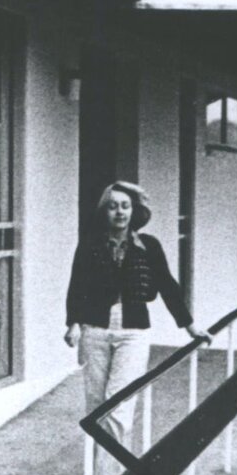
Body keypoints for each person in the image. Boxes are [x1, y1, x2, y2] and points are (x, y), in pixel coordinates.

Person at [64, 181, 208, 457]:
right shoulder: (90, 244)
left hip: (134, 331)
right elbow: (77, 285)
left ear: (134, 211)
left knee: (118, 405)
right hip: (95, 329)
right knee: (96, 407)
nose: (119, 212)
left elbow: (167, 286)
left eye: (125, 206)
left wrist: (190, 327)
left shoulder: (148, 246)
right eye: (113, 206)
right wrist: (73, 322)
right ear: (104, 211)